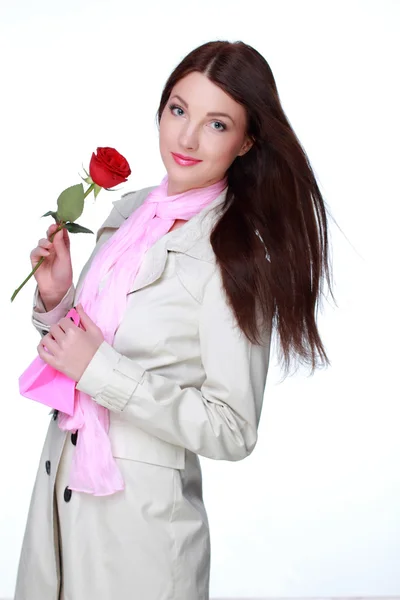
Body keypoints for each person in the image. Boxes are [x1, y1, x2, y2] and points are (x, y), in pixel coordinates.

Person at [14, 40, 332, 600]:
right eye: (179, 110)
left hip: (140, 537)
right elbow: (87, 347)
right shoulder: (130, 213)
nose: (186, 138)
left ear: (246, 140)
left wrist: (102, 372)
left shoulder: (237, 255)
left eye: (216, 123)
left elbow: (233, 428)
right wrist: (59, 297)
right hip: (59, 504)